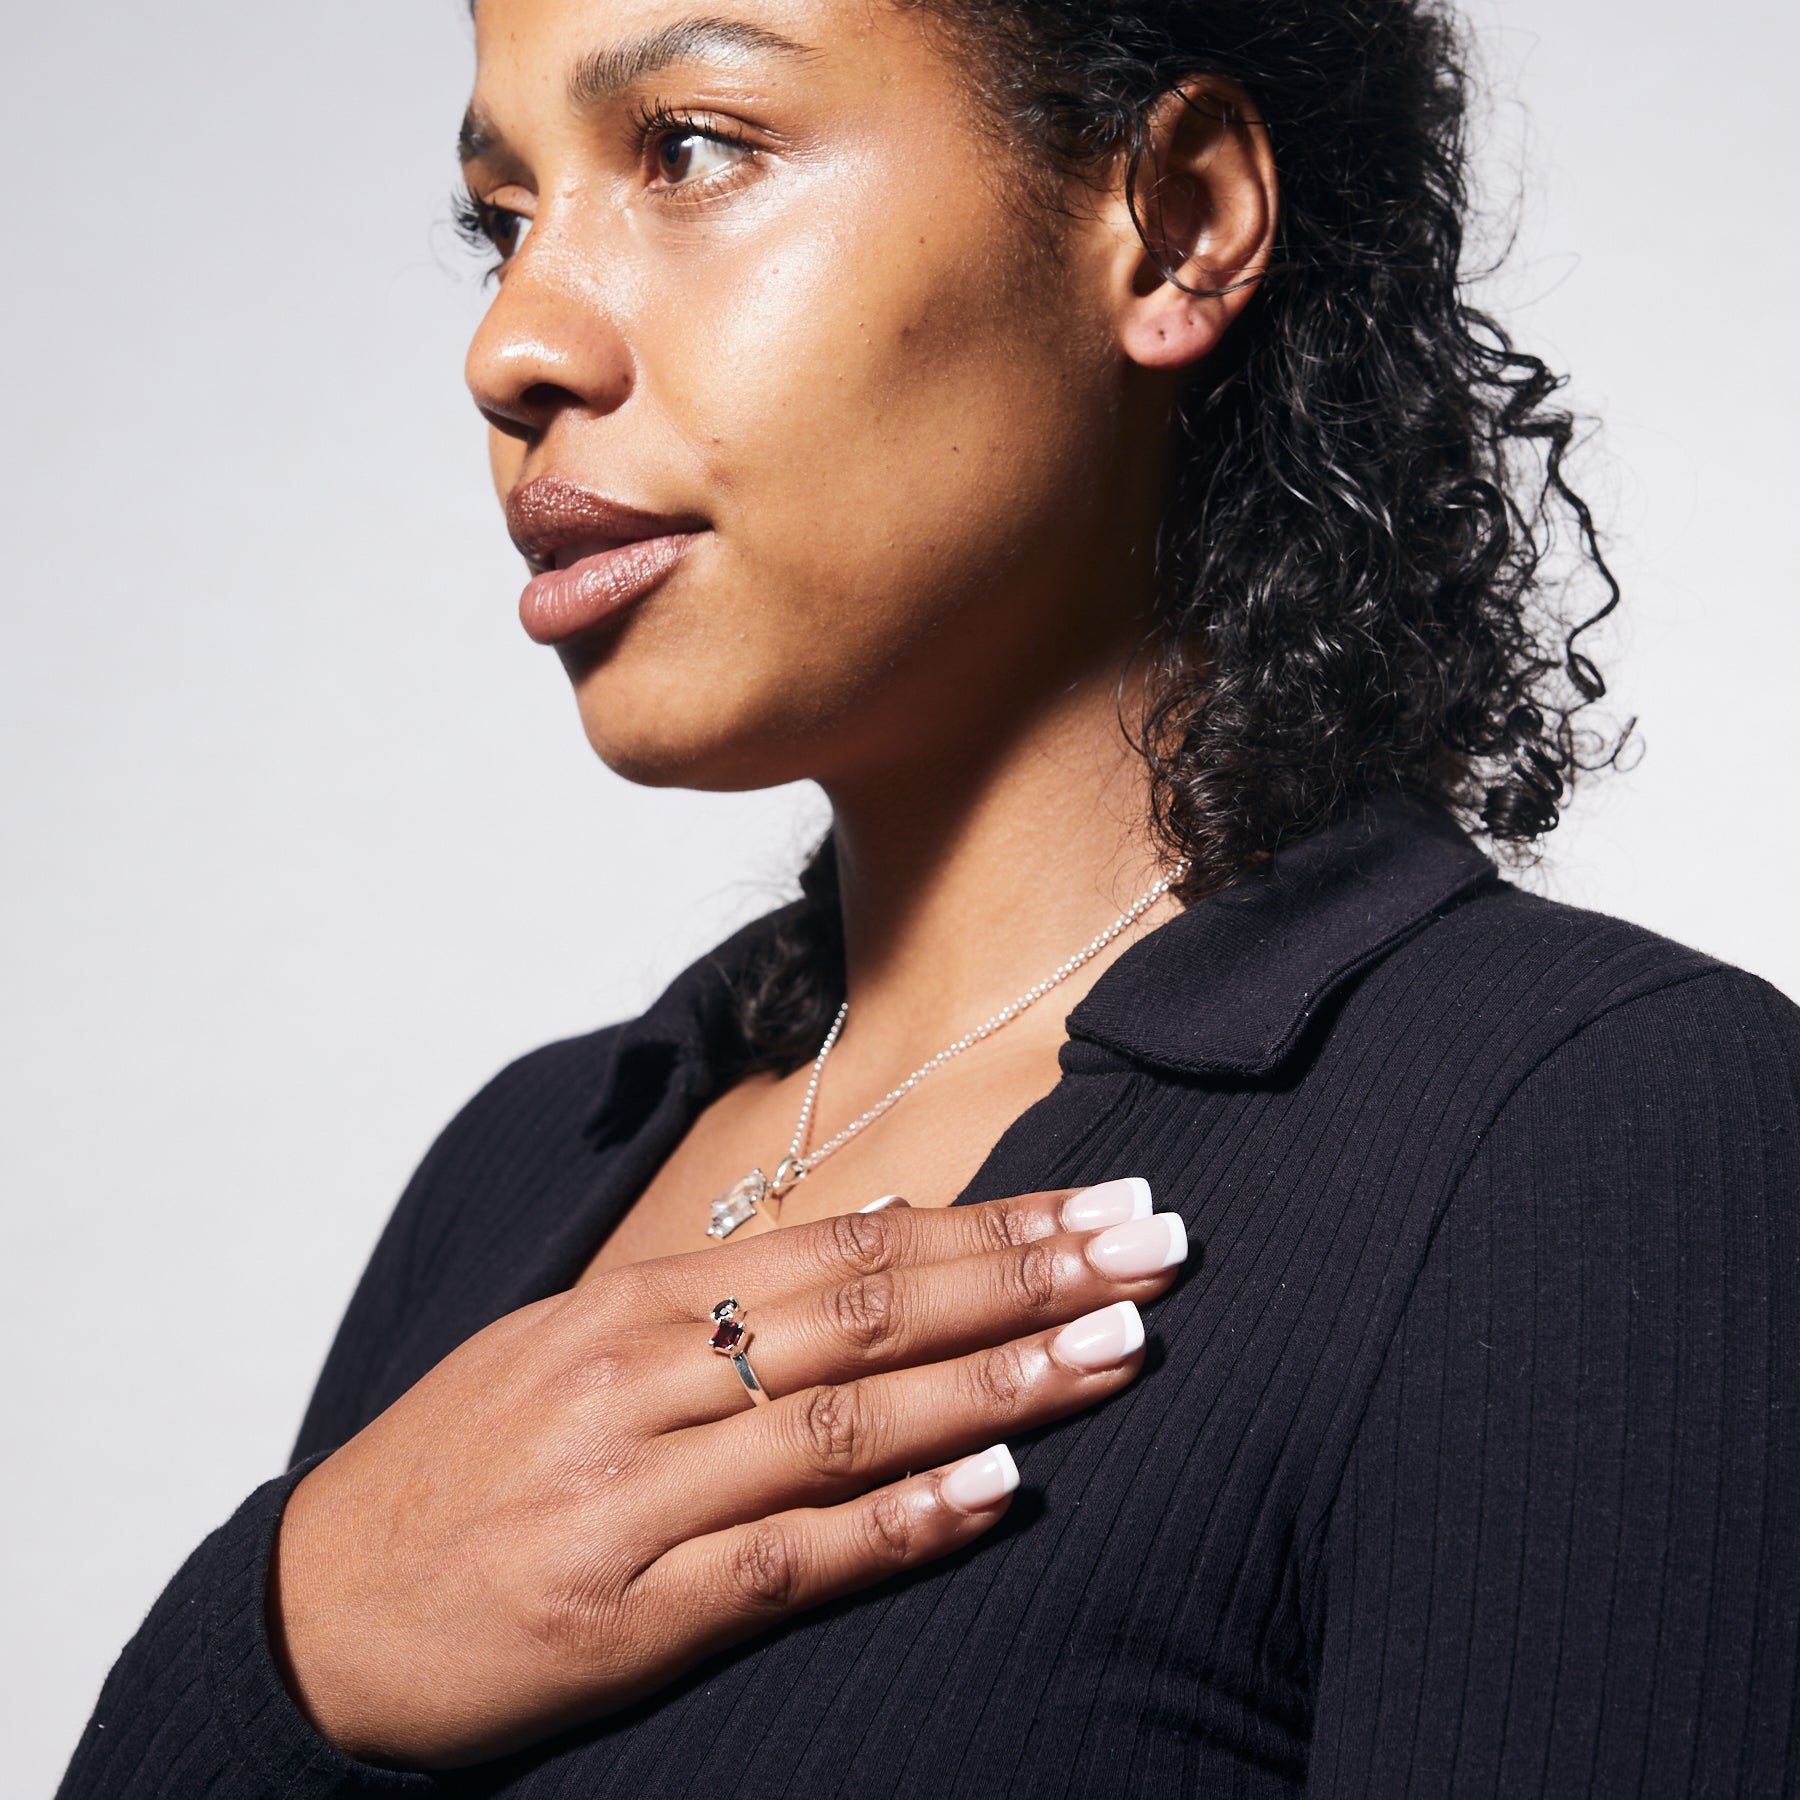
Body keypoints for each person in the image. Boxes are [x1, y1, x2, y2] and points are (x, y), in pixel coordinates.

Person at [59, 0, 1800, 1791]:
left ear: (1178, 216)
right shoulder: (523, 1167)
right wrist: (277, 1647)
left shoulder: (1597, 1133)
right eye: (503, 218)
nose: (514, 344)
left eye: (691, 149)